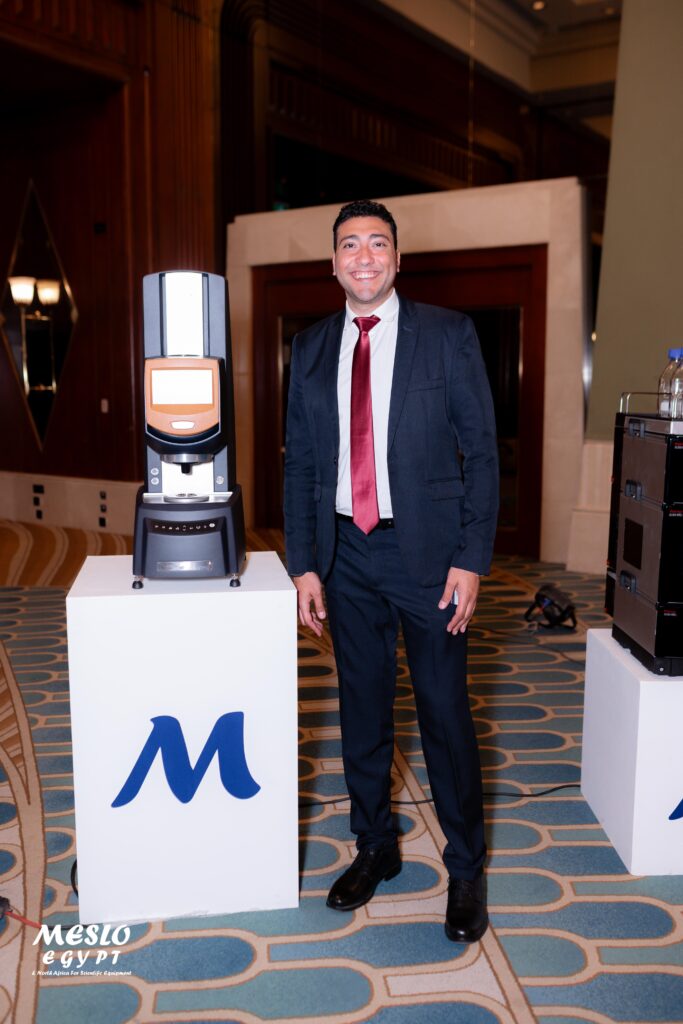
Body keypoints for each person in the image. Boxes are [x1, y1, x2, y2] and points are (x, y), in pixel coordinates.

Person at [284, 199, 499, 943]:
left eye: (378, 243)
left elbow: (482, 453)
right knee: (362, 709)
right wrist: (305, 565)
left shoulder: (447, 334)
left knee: (443, 712)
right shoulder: (310, 348)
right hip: (344, 553)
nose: (364, 256)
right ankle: (375, 845)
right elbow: (301, 465)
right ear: (333, 263)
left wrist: (471, 559)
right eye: (350, 245)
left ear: (398, 259)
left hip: (430, 556)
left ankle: (466, 868)